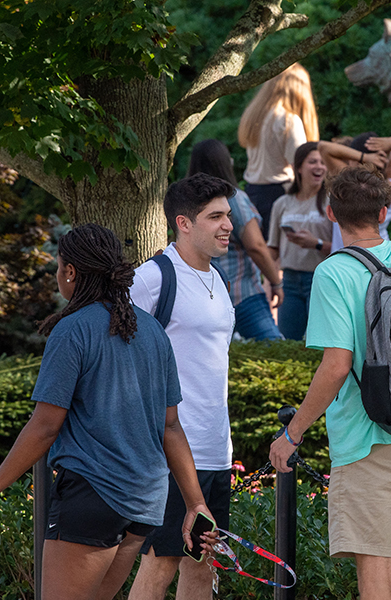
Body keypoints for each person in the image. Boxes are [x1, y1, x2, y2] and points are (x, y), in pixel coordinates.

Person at [0, 224, 214, 600]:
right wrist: (195, 503)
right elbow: (171, 428)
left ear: (71, 272)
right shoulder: (154, 332)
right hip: (144, 504)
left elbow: (45, 427)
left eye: (59, 267)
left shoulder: (72, 329)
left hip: (92, 495)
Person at [269, 165, 391, 600]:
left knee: (375, 566)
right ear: (385, 211)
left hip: (367, 436)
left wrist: (292, 435)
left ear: (332, 214)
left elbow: (336, 366)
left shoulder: (335, 272)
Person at [128, 173, 236, 600]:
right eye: (215, 217)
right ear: (184, 223)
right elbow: (122, 359)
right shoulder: (152, 278)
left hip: (216, 451)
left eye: (228, 214)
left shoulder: (219, 280)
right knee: (161, 564)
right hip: (169, 452)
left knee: (203, 566)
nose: (228, 224)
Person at [188, 139, 284, 341]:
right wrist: (276, 282)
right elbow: (256, 246)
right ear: (225, 162)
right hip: (242, 294)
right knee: (273, 350)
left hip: (201, 296)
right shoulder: (233, 199)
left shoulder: (187, 202)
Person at [238, 63, 319, 239]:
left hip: (252, 193)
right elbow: (302, 165)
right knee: (277, 255)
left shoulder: (255, 115)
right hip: (279, 194)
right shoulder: (288, 120)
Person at [267, 141, 332, 340]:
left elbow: (344, 248)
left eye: (322, 162)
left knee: (320, 342)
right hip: (289, 281)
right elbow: (272, 249)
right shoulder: (282, 203)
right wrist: (269, 281)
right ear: (299, 168)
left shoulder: (331, 201)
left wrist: (317, 243)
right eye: (313, 162)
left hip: (320, 279)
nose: (319, 167)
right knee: (289, 341)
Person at [319, 125, 391, 248]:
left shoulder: (345, 184)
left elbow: (323, 147)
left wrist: (364, 157)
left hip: (344, 258)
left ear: (355, 160)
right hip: (380, 255)